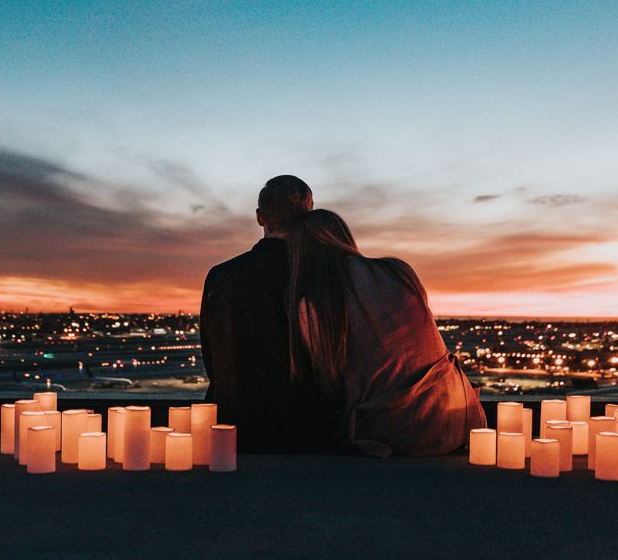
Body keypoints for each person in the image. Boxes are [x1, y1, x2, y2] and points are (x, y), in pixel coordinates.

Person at [287, 209, 486, 457]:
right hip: (460, 417)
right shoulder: (398, 271)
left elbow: (330, 384)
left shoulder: (315, 305)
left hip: (395, 432)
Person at [199, 175, 334, 452]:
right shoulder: (321, 276)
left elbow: (214, 360)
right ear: (309, 216)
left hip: (234, 426)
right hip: (307, 429)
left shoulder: (221, 277)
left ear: (260, 217)